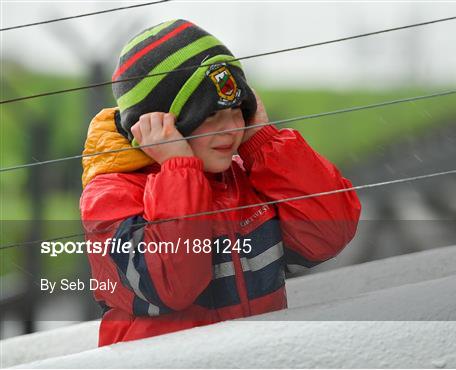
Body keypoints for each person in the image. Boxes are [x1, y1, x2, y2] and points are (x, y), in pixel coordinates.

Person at [79, 19, 361, 347]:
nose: (230, 129)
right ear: (157, 123)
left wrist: (262, 141)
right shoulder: (111, 196)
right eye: (210, 115)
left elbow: (330, 233)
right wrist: (177, 167)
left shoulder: (241, 178)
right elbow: (173, 284)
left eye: (237, 110)